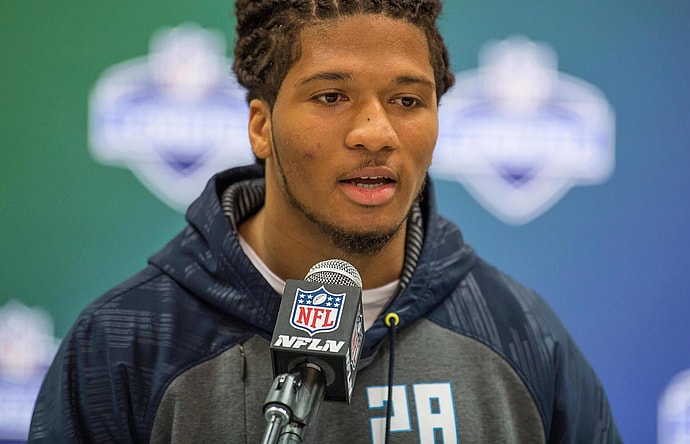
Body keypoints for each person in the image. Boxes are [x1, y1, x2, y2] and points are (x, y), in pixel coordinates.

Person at [28, 1, 621, 442]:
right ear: (261, 125)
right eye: (332, 96)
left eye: (408, 101)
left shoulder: (519, 335)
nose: (375, 133)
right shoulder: (125, 342)